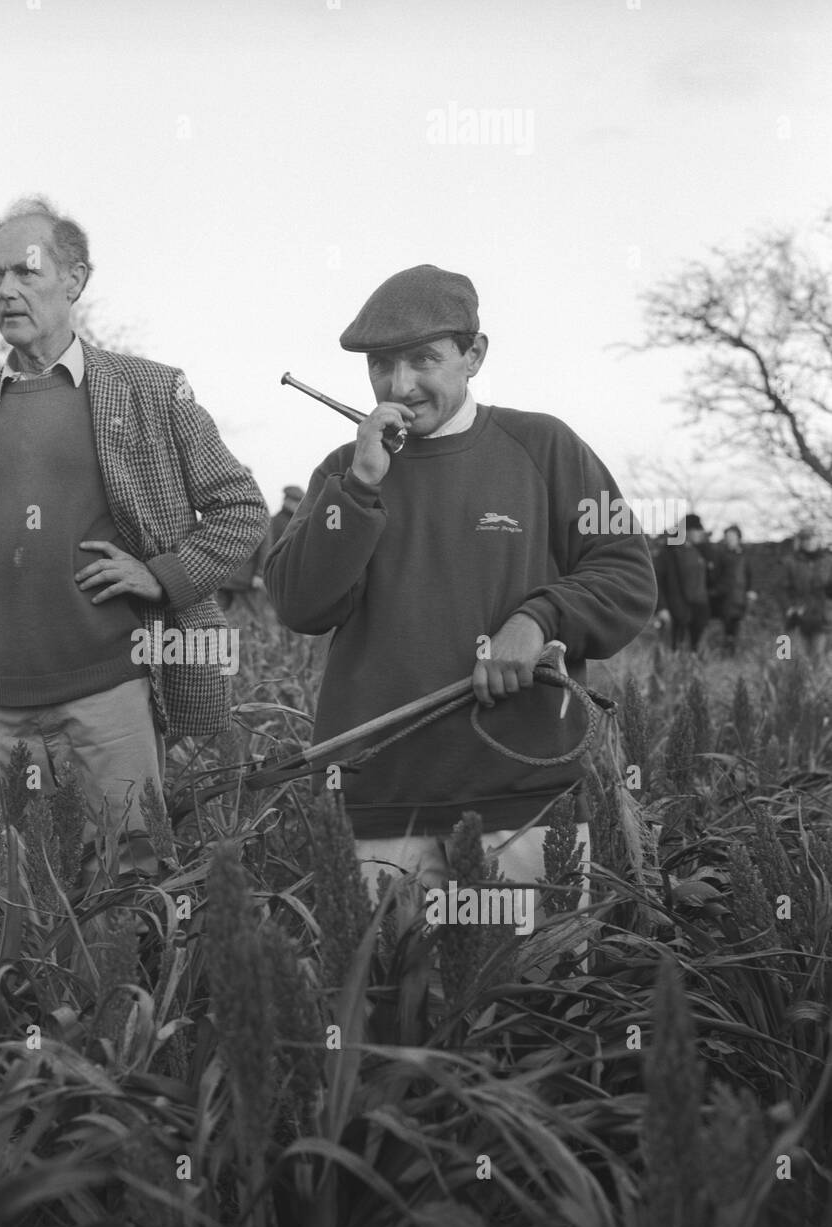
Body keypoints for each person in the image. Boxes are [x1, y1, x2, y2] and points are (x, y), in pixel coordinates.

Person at [265, 264, 657, 907]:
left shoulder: (545, 445)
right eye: (381, 365)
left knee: (534, 994)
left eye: (424, 359)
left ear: (473, 355)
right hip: (377, 800)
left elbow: (625, 574)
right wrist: (362, 486)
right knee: (389, 998)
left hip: (524, 801)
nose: (400, 385)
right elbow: (301, 605)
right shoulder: (344, 470)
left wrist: (537, 621)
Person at [0, 196, 267, 876]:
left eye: (24, 272)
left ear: (75, 281)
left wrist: (162, 575)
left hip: (106, 694)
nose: (5, 290)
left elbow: (241, 508)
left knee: (130, 886)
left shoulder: (148, 390)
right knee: (17, 894)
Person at [653, 513, 712, 653]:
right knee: (674, 649)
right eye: (696, 530)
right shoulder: (669, 552)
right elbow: (657, 581)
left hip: (698, 609)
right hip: (676, 610)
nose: (699, 533)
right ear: (686, 531)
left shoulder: (700, 551)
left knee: (694, 650)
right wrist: (661, 607)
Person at [782, 527, 832, 664]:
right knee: (793, 656)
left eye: (811, 538)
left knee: (819, 657)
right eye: (805, 539)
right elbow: (784, 588)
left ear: (818, 540)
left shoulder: (828, 560)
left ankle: (817, 684)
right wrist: (789, 607)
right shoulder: (790, 562)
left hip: (823, 617)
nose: (809, 542)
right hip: (798, 617)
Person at [709, 524, 756, 657]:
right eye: (728, 537)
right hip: (724, 597)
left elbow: (750, 574)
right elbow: (714, 576)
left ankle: (737, 653)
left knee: (739, 625)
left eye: (732, 536)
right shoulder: (719, 555)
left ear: (738, 538)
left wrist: (751, 590)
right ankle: (725, 654)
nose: (730, 539)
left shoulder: (745, 555)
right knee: (726, 626)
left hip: (740, 596)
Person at [269, 485, 305, 550]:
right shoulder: (274, 522)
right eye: (294, 500)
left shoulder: (300, 522)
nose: (298, 504)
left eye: (300, 501)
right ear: (286, 500)